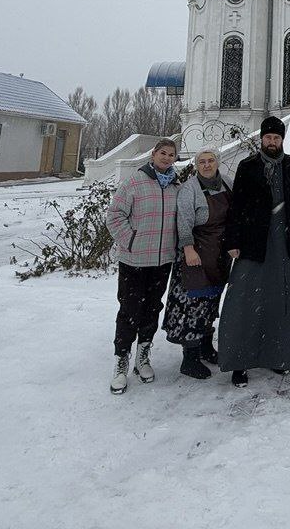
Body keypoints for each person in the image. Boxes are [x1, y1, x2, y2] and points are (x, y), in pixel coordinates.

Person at [217, 116, 290, 389]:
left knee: (280, 299)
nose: (272, 142)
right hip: (253, 240)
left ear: (282, 139)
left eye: (276, 137)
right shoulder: (248, 166)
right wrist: (233, 240)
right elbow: (237, 206)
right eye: (268, 137)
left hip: (283, 238)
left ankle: (277, 355)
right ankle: (239, 362)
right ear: (261, 139)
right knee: (243, 300)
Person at [106, 138, 181, 395]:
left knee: (152, 308)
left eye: (171, 154)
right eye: (163, 153)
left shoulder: (175, 186)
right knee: (129, 309)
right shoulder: (135, 182)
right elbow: (115, 215)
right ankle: (121, 360)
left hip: (162, 261)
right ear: (153, 154)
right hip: (135, 260)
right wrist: (131, 241)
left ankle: (143, 355)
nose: (167, 158)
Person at [162, 148, 233, 379]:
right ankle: (189, 358)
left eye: (211, 160)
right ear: (196, 165)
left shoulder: (227, 183)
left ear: (217, 162)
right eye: (202, 161)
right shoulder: (190, 188)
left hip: (219, 254)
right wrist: (188, 248)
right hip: (196, 252)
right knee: (193, 305)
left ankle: (205, 346)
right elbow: (183, 220)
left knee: (210, 302)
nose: (206, 165)